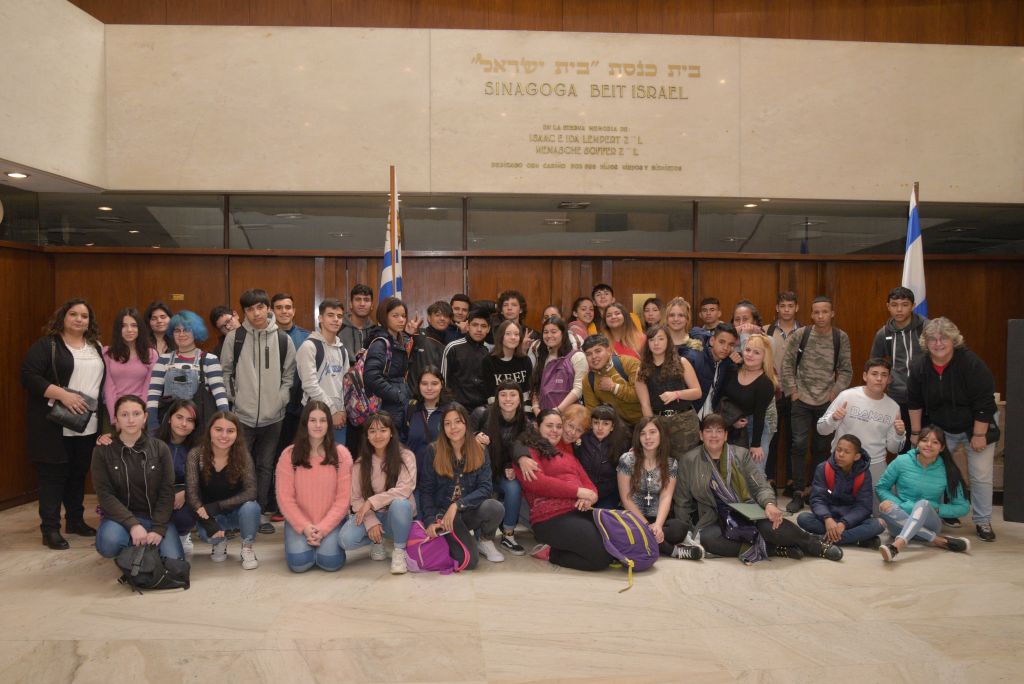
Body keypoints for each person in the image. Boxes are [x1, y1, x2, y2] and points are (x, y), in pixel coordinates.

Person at [673, 413, 843, 563]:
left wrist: (769, 504)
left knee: (771, 527)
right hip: (715, 517)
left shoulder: (741, 455)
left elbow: (760, 486)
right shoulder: (689, 460)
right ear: (701, 435)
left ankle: (814, 544)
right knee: (709, 540)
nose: (714, 435)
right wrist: (684, 534)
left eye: (719, 431)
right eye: (708, 431)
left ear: (725, 435)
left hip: (747, 511)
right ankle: (773, 550)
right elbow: (682, 501)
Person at [21, 298, 106, 550]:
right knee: (53, 476)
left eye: (84, 316)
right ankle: (50, 529)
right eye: (73, 314)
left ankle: (75, 521)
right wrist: (63, 395)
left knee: (77, 474)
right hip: (53, 425)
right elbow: (28, 376)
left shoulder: (96, 347)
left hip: (86, 424)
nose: (79, 319)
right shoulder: (47, 346)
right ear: (63, 318)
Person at [907, 317, 998, 542]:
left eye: (943, 338)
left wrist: (979, 435)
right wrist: (916, 433)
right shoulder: (919, 366)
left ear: (954, 340)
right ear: (926, 343)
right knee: (943, 472)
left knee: (981, 475)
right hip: (941, 427)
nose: (938, 343)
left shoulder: (971, 363)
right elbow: (915, 402)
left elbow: (985, 402)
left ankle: (982, 520)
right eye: (932, 339)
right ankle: (947, 513)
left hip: (975, 425)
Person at [219, 289, 296, 533]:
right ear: (244, 312)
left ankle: (262, 513)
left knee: (265, 465)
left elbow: (289, 375)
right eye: (250, 309)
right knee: (241, 465)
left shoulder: (283, 339)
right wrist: (235, 399)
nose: (256, 313)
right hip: (242, 415)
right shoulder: (235, 337)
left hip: (274, 417)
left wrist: (281, 399)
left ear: (267, 308)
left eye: (260, 307)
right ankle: (240, 513)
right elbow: (225, 372)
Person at [515, 410, 613, 571]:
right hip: (551, 516)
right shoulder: (527, 454)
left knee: (611, 548)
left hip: (579, 511)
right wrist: (578, 492)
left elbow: (590, 486)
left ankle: (566, 547)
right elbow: (538, 483)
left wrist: (589, 497)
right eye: (549, 426)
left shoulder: (568, 456)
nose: (555, 430)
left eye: (558, 426)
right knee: (600, 559)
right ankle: (551, 553)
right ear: (537, 426)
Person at [780, 296, 852, 513]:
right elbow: (787, 364)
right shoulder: (802, 334)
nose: (820, 316)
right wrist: (792, 391)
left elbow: (846, 369)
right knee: (799, 445)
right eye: (816, 312)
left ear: (832, 313)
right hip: (801, 399)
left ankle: (816, 491)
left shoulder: (841, 337)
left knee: (822, 448)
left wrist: (835, 393)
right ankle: (798, 491)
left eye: (824, 312)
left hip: (827, 402)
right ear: (811, 314)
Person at [92, 395, 184, 562]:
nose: (131, 420)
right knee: (109, 543)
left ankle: (144, 549)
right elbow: (105, 495)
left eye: (136, 414)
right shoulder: (103, 450)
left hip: (155, 518)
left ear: (145, 417)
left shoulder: (159, 448)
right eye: (124, 414)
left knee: (174, 562)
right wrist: (133, 525)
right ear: (116, 419)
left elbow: (166, 492)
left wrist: (158, 529)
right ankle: (133, 549)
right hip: (120, 519)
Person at [420, 403, 506, 567]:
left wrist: (457, 505)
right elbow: (426, 490)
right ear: (442, 427)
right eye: (447, 423)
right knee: (469, 562)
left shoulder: (479, 450)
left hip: (468, 511)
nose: (453, 427)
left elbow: (485, 488)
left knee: (495, 507)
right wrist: (430, 520)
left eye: (458, 421)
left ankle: (484, 540)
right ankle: (453, 537)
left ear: (466, 423)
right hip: (443, 516)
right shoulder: (433, 450)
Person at [276, 401, 354, 573]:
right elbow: (285, 498)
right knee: (299, 563)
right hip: (300, 521)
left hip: (331, 521)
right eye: (313, 420)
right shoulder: (289, 455)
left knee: (330, 562)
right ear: (305, 423)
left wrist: (323, 528)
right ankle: (296, 541)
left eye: (323, 420)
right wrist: (304, 527)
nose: (318, 425)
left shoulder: (341, 455)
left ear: (329, 423)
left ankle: (320, 544)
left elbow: (343, 500)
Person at [875, 426, 971, 561]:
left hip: (929, 523)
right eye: (925, 440)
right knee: (884, 506)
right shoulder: (901, 461)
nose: (929, 445)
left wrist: (937, 508)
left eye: (935, 442)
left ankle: (897, 546)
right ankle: (938, 541)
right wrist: (900, 505)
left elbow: (963, 506)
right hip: (898, 523)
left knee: (923, 504)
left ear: (942, 448)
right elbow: (881, 488)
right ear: (918, 443)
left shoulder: (948, 469)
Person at [816, 358, 905, 499]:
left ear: (889, 379)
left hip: (875, 463)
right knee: (835, 505)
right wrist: (833, 418)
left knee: (881, 511)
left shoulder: (893, 407)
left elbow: (894, 449)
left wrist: (899, 434)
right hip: (843, 459)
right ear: (865, 376)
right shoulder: (847, 396)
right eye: (874, 374)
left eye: (884, 375)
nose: (879, 378)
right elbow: (821, 429)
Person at [340, 412, 417, 574]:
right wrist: (371, 521)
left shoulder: (406, 456)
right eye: (372, 431)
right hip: (374, 514)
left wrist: (371, 501)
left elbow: (405, 489)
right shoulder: (360, 464)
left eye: (383, 430)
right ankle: (377, 541)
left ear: (391, 433)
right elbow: (356, 498)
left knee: (400, 503)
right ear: (367, 436)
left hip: (396, 516)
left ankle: (399, 551)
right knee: (345, 539)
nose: (378, 435)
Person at [616, 417, 703, 559]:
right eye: (643, 433)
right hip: (633, 518)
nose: (648, 437)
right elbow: (626, 498)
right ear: (637, 437)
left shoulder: (670, 464)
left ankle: (646, 543)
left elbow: (666, 497)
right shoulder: (627, 459)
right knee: (625, 531)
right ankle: (673, 551)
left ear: (661, 435)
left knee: (679, 529)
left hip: (657, 519)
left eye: (652, 432)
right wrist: (645, 525)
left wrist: (657, 525)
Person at [185, 411, 261, 569]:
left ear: (237, 434)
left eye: (230, 431)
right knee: (209, 536)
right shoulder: (196, 454)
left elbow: (251, 491)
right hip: (210, 516)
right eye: (218, 429)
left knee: (252, 507)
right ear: (209, 431)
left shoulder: (242, 455)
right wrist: (209, 523)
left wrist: (216, 506)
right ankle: (220, 542)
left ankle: (247, 548)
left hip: (235, 513)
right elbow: (191, 495)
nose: (224, 435)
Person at [146, 310, 230, 432]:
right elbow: (153, 396)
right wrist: (152, 424)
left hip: (199, 427)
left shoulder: (209, 360)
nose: (181, 334)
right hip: (169, 427)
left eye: (186, 330)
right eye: (177, 330)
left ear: (195, 332)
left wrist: (224, 422)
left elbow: (220, 395)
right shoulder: (163, 360)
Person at [796, 434, 886, 547]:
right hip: (828, 519)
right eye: (839, 450)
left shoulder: (863, 474)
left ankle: (822, 539)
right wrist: (827, 518)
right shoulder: (823, 468)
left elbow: (864, 507)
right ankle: (858, 540)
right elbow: (817, 499)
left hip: (852, 522)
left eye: (847, 452)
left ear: (856, 456)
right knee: (803, 518)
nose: (841, 454)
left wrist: (844, 523)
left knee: (879, 524)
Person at [474, 381, 530, 554]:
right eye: (503, 394)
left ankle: (508, 533)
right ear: (496, 398)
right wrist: (475, 437)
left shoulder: (525, 422)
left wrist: (513, 466)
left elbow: (523, 447)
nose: (508, 399)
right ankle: (480, 534)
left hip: (502, 472)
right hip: (479, 472)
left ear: (520, 399)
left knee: (514, 487)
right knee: (481, 494)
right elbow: (463, 433)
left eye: (513, 395)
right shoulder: (482, 414)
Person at [635, 324, 702, 459]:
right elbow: (645, 405)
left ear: (668, 341)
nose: (656, 343)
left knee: (688, 463)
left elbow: (697, 392)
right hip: (659, 421)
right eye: (652, 340)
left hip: (684, 421)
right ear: (647, 343)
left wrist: (677, 394)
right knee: (663, 464)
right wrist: (651, 428)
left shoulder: (682, 362)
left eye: (661, 339)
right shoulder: (641, 369)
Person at [717, 333, 778, 473]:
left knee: (755, 472)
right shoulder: (733, 370)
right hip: (731, 423)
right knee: (732, 471)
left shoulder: (765, 383)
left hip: (757, 427)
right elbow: (723, 399)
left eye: (756, 352)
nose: (750, 355)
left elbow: (759, 415)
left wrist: (756, 444)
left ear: (765, 356)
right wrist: (732, 420)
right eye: (748, 350)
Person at [870, 286, 928, 431]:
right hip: (898, 396)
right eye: (894, 305)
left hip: (926, 396)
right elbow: (874, 364)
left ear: (913, 306)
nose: (899, 310)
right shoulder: (883, 334)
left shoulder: (927, 328)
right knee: (903, 444)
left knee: (928, 442)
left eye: (904, 305)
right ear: (888, 307)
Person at [296, 297, 350, 445]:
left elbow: (344, 385)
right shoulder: (309, 346)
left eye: (339, 316)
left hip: (339, 417)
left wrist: (342, 410)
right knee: (313, 461)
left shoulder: (342, 349)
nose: (336, 320)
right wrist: (331, 410)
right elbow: (309, 384)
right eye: (330, 315)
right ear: (320, 318)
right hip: (316, 415)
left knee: (338, 462)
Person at [766, 291, 802, 495]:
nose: (787, 309)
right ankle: (769, 479)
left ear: (796, 308)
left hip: (797, 393)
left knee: (795, 440)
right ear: (777, 308)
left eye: (791, 305)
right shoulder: (767, 331)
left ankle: (791, 482)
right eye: (783, 306)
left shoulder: (806, 331)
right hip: (772, 392)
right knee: (771, 438)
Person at [155, 399, 201, 555]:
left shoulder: (199, 447)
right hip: (156, 497)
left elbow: (205, 480)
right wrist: (105, 439)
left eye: (190, 420)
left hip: (181, 498)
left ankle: (182, 535)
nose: (184, 424)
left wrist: (187, 492)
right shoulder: (152, 440)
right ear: (169, 418)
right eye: (179, 417)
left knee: (188, 511)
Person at [400, 366, 446, 516]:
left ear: (442, 384)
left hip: (442, 480)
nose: (429, 388)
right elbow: (402, 440)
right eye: (424, 383)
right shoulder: (411, 408)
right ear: (418, 385)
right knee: (418, 522)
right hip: (415, 480)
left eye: (434, 383)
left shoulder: (451, 410)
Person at [272, 292, 312, 461]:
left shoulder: (307, 337)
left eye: (288, 307)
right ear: (272, 311)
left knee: (298, 454)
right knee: (272, 455)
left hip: (298, 408)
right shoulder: (264, 337)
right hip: (271, 407)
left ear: (294, 311)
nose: (284, 311)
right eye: (279, 308)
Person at [102, 307, 158, 423]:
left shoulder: (151, 354)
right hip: (114, 412)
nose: (129, 330)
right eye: (124, 326)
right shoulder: (108, 353)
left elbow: (148, 388)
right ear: (118, 329)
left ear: (140, 328)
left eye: (134, 325)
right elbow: (108, 387)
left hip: (141, 413)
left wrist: (139, 415)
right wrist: (115, 418)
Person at [363, 296, 413, 425]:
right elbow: (372, 377)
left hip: (399, 406)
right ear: (384, 317)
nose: (401, 320)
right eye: (395, 316)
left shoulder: (401, 340)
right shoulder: (381, 343)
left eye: (403, 315)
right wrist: (397, 395)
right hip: (385, 408)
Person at [576, 404, 630, 508]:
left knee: (604, 518)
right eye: (596, 423)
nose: (600, 428)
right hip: (584, 490)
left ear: (612, 427)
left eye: (605, 424)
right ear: (591, 424)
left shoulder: (622, 443)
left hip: (608, 494)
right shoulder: (582, 439)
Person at [581, 334, 642, 425]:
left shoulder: (630, 363)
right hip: (618, 427)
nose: (593, 357)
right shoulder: (588, 380)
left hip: (643, 420)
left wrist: (614, 387)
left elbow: (640, 396)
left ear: (609, 350)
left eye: (598, 351)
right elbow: (593, 412)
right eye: (589, 354)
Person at [530, 316, 587, 413]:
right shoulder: (542, 357)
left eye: (553, 331)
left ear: (563, 333)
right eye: (546, 332)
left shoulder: (577, 356)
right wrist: (536, 410)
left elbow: (579, 389)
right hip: (545, 415)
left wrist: (558, 410)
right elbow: (536, 386)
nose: (549, 335)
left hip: (570, 415)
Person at [441, 305, 491, 412]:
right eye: (475, 325)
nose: (479, 329)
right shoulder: (453, 347)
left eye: (483, 326)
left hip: (482, 409)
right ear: (468, 326)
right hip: (457, 409)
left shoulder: (489, 352)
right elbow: (444, 382)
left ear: (488, 329)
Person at [690, 323, 738, 419]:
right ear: (712, 341)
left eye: (730, 344)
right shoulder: (698, 358)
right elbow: (695, 330)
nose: (725, 348)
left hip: (712, 420)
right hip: (691, 418)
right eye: (722, 342)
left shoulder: (727, 365)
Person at [408, 300, 456, 393]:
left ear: (450, 320)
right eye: (437, 315)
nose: (442, 318)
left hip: (438, 397)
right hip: (414, 397)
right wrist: (408, 334)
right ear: (429, 318)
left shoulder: (450, 345)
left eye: (446, 316)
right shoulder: (417, 335)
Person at [482, 319, 533, 405]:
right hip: (497, 410)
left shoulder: (525, 360)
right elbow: (490, 395)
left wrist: (525, 415)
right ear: (501, 337)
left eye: (516, 334)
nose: (513, 337)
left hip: (522, 410)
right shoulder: (489, 361)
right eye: (508, 334)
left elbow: (527, 392)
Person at [663, 296, 704, 366]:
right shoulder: (659, 342)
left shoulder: (697, 341)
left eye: (681, 315)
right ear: (666, 319)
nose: (676, 319)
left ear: (687, 319)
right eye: (672, 315)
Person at [339, 283, 375, 355]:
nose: (362, 304)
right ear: (351, 304)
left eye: (366, 300)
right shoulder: (338, 328)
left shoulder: (376, 331)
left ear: (372, 306)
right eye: (358, 299)